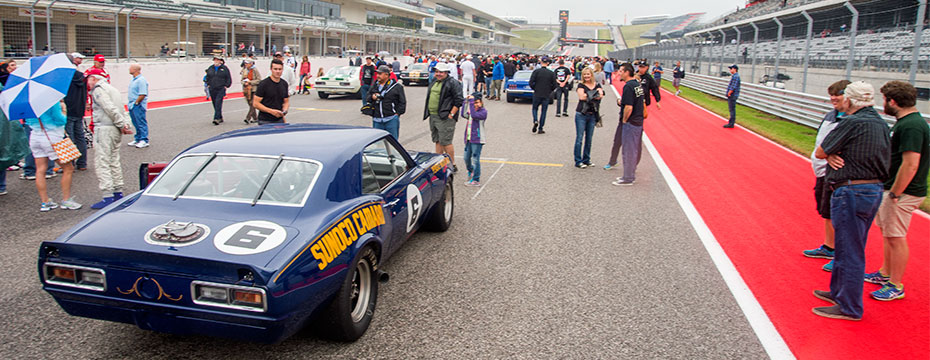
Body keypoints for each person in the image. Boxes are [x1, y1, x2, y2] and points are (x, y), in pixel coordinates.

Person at [812, 81, 890, 321]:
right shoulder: (880, 123)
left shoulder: (853, 122)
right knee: (851, 246)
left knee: (849, 250)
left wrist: (833, 153)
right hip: (871, 190)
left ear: (851, 100)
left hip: (851, 191)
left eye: (844, 97)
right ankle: (838, 292)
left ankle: (849, 306)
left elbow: (820, 151)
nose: (841, 101)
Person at [865, 81, 929, 301]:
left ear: (892, 101)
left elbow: (911, 163)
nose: (883, 104)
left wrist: (895, 193)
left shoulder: (910, 126)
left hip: (903, 191)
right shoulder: (906, 123)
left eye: (884, 99)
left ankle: (896, 284)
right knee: (888, 234)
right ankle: (885, 273)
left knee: (896, 236)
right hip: (895, 188)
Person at [803, 80, 851, 272]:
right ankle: (829, 247)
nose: (833, 98)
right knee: (827, 212)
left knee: (839, 215)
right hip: (822, 170)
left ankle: (841, 255)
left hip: (837, 174)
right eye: (831, 94)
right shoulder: (831, 115)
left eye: (837, 94)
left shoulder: (850, 119)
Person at [87, 71, 133, 210]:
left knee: (103, 161)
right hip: (114, 129)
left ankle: (108, 195)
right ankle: (118, 191)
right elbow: (121, 109)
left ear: (93, 78)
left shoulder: (99, 90)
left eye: (88, 79)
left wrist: (121, 123)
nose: (87, 83)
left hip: (105, 128)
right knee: (114, 160)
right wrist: (125, 124)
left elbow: (109, 108)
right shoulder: (113, 89)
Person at [24, 102, 81, 211]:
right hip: (52, 136)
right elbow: (60, 120)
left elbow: (27, 121)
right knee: (68, 168)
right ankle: (66, 200)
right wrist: (64, 110)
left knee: (40, 170)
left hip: (35, 136)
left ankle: (45, 202)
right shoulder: (51, 101)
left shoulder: (28, 103)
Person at [423, 63, 463, 172]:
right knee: (437, 140)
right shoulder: (434, 81)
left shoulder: (453, 83)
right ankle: (438, 163)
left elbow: (459, 100)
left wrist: (451, 114)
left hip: (445, 117)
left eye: (441, 72)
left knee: (446, 141)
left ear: (446, 73)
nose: (438, 74)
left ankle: (452, 164)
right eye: (437, 72)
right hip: (433, 116)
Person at [612, 63, 645, 186]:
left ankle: (628, 177)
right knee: (633, 149)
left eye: (621, 71)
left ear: (627, 72)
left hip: (631, 122)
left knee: (628, 150)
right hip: (638, 121)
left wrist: (625, 120)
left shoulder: (628, 86)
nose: (619, 73)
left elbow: (629, 107)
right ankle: (629, 174)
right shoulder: (637, 85)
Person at [63, 54, 88, 171]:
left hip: (69, 109)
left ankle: (70, 164)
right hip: (79, 109)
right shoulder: (82, 76)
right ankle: (82, 163)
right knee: (80, 137)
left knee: (69, 137)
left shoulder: (65, 77)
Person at [574, 67, 603, 169]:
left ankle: (587, 159)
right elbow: (581, 97)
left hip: (592, 114)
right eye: (584, 74)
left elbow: (601, 95)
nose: (586, 76)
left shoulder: (597, 85)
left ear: (591, 75)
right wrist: (593, 95)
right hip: (581, 114)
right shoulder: (580, 85)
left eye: (588, 74)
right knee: (579, 138)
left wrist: (589, 95)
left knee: (589, 138)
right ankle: (578, 161)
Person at [368, 65, 406, 140]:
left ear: (386, 75)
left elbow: (402, 102)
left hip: (391, 119)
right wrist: (372, 97)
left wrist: (397, 114)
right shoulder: (375, 86)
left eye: (380, 74)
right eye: (377, 74)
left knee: (393, 142)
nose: (377, 76)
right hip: (377, 120)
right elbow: (367, 98)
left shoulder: (397, 87)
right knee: (378, 143)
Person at [253, 59, 290, 125]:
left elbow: (286, 101)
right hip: (265, 120)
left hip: (279, 120)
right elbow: (255, 103)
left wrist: (284, 111)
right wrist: (271, 111)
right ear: (271, 69)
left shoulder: (284, 84)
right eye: (275, 69)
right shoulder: (263, 84)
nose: (278, 71)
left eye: (280, 69)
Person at [463, 93, 487, 186]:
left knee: (475, 159)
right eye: (474, 103)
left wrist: (472, 102)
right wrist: (465, 102)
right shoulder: (471, 111)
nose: (475, 105)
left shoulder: (483, 112)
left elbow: (473, 115)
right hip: (469, 138)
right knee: (466, 158)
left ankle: (476, 179)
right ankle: (471, 170)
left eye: (477, 102)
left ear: (481, 102)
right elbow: (464, 114)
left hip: (477, 139)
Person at [529, 58, 557, 134]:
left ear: (541, 63)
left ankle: (535, 120)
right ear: (548, 63)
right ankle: (541, 128)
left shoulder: (536, 72)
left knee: (535, 108)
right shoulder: (551, 73)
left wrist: (535, 88)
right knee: (544, 111)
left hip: (537, 92)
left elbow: (531, 82)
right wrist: (549, 90)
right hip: (546, 94)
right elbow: (555, 85)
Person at [126, 64, 149, 149]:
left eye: (130, 68)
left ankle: (144, 140)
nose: (129, 69)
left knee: (141, 122)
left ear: (135, 69)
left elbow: (143, 93)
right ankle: (138, 138)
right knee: (135, 122)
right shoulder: (134, 80)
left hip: (137, 105)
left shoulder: (141, 80)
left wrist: (136, 103)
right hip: (132, 104)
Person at [205, 55, 231, 125]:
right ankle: (220, 116)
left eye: (217, 60)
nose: (216, 61)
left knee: (218, 102)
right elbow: (207, 77)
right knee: (214, 103)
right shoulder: (211, 68)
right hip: (212, 87)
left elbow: (228, 77)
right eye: (215, 60)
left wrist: (226, 85)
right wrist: (208, 83)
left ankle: (216, 118)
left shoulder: (224, 68)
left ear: (220, 61)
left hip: (221, 88)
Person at [240, 59, 261, 123]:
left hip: (254, 89)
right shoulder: (244, 70)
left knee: (252, 103)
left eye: (247, 63)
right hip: (247, 89)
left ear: (251, 63)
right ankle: (255, 118)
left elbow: (259, 80)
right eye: (245, 63)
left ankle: (248, 118)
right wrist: (244, 83)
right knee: (250, 103)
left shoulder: (255, 70)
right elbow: (242, 80)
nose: (246, 64)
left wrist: (250, 82)